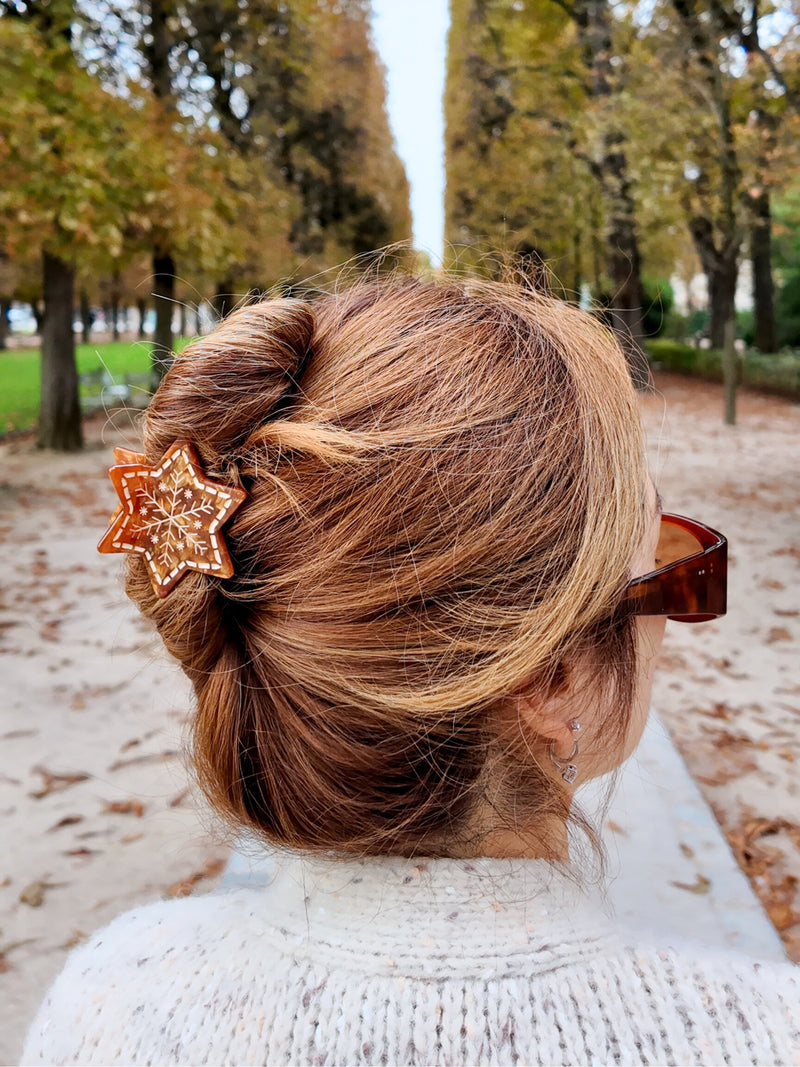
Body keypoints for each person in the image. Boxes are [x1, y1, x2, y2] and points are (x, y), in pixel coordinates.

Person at [23, 277, 797, 1066]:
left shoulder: (111, 1003)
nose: (679, 613)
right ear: (555, 677)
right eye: (671, 574)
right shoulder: (759, 1036)